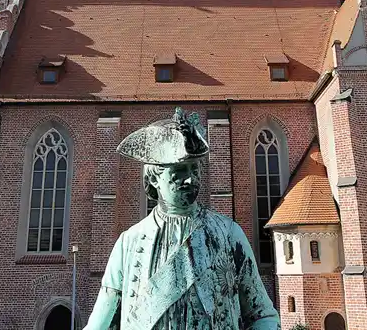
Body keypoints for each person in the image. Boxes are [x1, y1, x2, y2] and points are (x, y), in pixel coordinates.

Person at [83, 108, 279, 330]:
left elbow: (262, 315)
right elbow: (100, 323)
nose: (189, 180)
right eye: (178, 173)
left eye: (194, 170)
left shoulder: (228, 234)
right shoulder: (129, 243)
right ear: (154, 179)